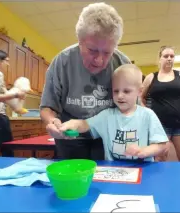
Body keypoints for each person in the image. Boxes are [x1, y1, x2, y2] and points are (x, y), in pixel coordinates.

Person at [40, 2, 130, 160]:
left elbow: (135, 109)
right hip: (71, 137)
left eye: (107, 52)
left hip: (109, 137)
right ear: (79, 41)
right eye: (92, 50)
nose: (99, 60)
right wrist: (53, 122)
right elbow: (48, 107)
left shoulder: (123, 64)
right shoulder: (62, 62)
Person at [59, 64, 168, 161]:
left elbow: (162, 145)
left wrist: (144, 151)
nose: (120, 95)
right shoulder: (106, 116)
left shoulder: (148, 115)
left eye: (126, 91)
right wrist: (72, 123)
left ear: (139, 91)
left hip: (143, 169)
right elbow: (85, 124)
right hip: (113, 170)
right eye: (116, 91)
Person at [141, 46, 180, 163]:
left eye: (172, 56)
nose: (169, 59)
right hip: (159, 125)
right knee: (160, 158)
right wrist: (146, 112)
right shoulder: (151, 77)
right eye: (166, 56)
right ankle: (159, 181)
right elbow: (140, 96)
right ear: (159, 59)